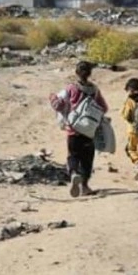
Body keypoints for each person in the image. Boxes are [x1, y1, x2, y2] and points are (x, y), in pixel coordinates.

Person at [49, 61, 109, 198]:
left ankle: (74, 173)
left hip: (74, 129)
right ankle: (85, 186)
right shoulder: (95, 90)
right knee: (87, 159)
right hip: (89, 131)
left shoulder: (71, 88)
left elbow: (58, 105)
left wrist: (52, 97)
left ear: (76, 72)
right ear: (89, 73)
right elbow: (104, 108)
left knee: (73, 155)